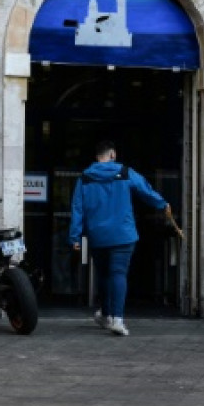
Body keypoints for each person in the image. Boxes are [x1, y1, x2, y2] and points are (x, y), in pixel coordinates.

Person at [69, 140, 178, 337]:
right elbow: (145, 190)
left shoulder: (85, 178)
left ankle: (107, 315)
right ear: (113, 154)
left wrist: (75, 236)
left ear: (97, 157)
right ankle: (117, 319)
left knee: (103, 275)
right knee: (118, 274)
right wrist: (162, 203)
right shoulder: (126, 173)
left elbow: (78, 208)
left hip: (97, 235)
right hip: (123, 234)